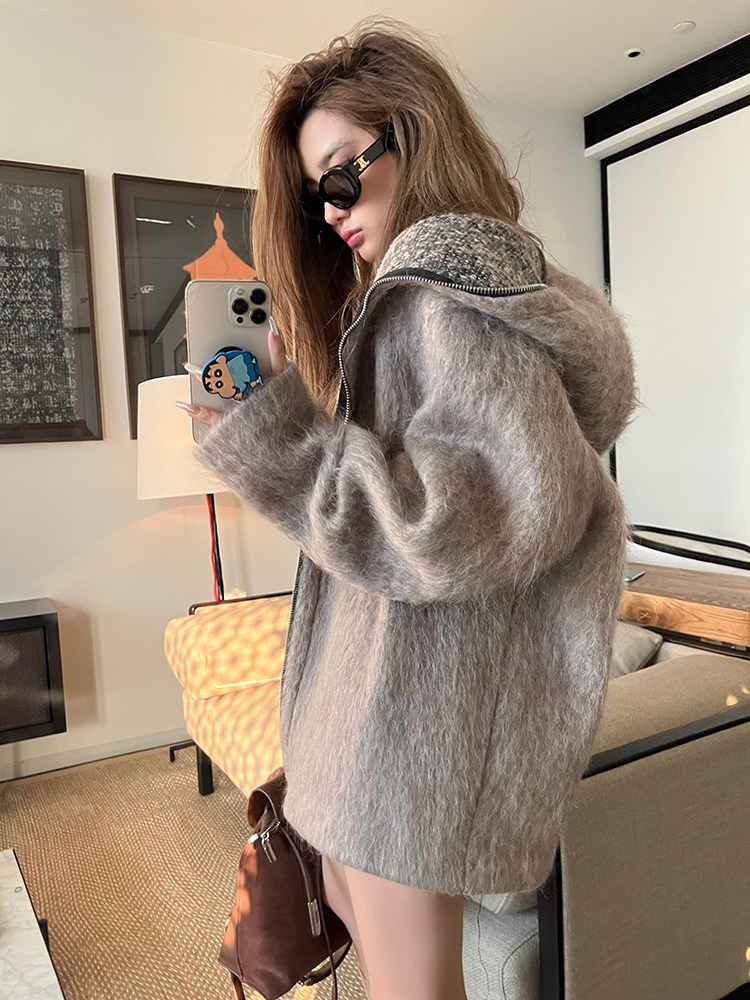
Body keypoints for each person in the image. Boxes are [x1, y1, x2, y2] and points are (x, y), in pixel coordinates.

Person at [177, 18, 638, 1000]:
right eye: (317, 197)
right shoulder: (436, 296)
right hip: (387, 734)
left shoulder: (441, 296)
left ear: (415, 135)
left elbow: (459, 525)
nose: (331, 210)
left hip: (407, 744)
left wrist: (276, 440)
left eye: (342, 174)